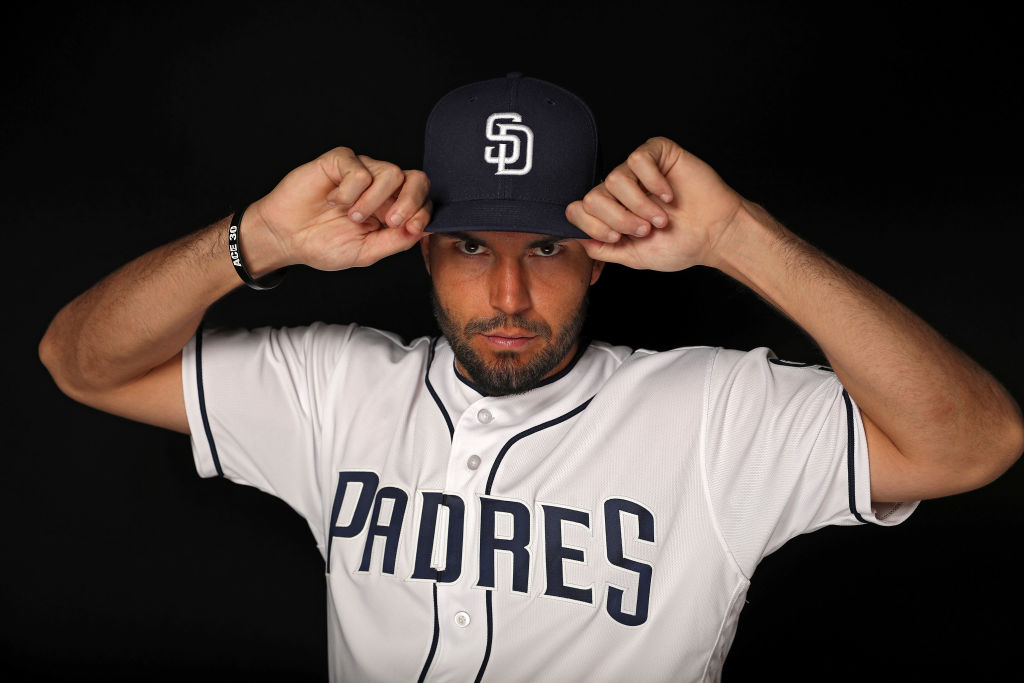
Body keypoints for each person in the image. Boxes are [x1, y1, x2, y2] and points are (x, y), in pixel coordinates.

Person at [38, 73, 1023, 682]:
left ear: (600, 254)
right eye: (469, 244)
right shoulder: (328, 389)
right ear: (420, 251)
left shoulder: (717, 414)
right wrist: (254, 240)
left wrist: (735, 236)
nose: (507, 290)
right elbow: (78, 361)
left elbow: (975, 441)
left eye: (546, 246)